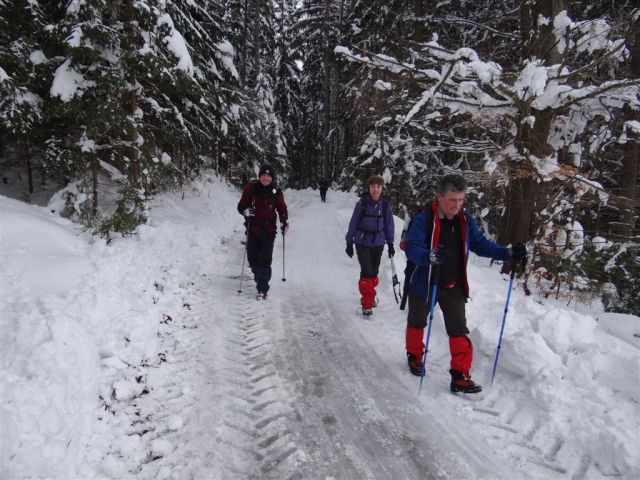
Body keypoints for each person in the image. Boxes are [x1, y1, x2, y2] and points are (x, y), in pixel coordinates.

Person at [404, 174, 526, 393]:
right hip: (426, 282)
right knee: (417, 322)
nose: (457, 205)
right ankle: (414, 355)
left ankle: (460, 375)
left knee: (458, 329)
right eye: (453, 200)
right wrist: (428, 256)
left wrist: (507, 253)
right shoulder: (424, 219)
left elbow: (480, 244)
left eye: (461, 200)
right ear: (439, 197)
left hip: (453, 285)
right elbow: (412, 247)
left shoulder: (465, 220)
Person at [345, 175, 395, 316]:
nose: (375, 189)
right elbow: (353, 223)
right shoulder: (362, 204)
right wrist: (349, 242)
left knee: (373, 273)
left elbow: (389, 225)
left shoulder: (385, 206)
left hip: (378, 242)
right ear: (369, 188)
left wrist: (390, 243)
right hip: (362, 241)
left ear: (382, 189)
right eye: (373, 186)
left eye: (378, 186)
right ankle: (367, 305)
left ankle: (370, 296)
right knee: (367, 272)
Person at [237, 165, 288, 300]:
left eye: (269, 176)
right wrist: (245, 211)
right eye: (263, 175)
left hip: (269, 230)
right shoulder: (251, 188)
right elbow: (241, 205)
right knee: (252, 259)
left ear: (272, 178)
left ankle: (262, 289)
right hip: (253, 229)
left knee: (265, 260)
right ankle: (258, 274)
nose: (266, 178)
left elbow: (282, 208)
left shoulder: (276, 191)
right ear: (260, 176)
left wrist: (284, 221)